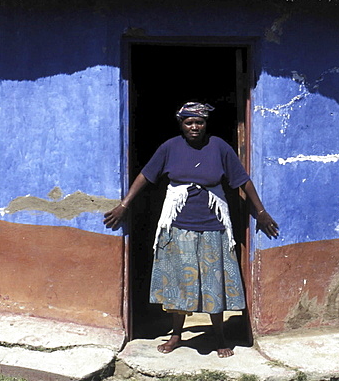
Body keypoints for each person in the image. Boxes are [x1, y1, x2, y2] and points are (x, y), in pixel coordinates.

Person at [103, 101, 279, 357]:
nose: (194, 127)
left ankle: (219, 335)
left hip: (213, 227)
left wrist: (260, 212)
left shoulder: (219, 147)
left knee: (213, 282)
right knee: (179, 283)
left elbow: (242, 180)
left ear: (206, 124)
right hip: (178, 227)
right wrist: (124, 205)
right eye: (189, 122)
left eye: (199, 122)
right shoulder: (170, 147)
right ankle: (176, 335)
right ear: (181, 125)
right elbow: (146, 175)